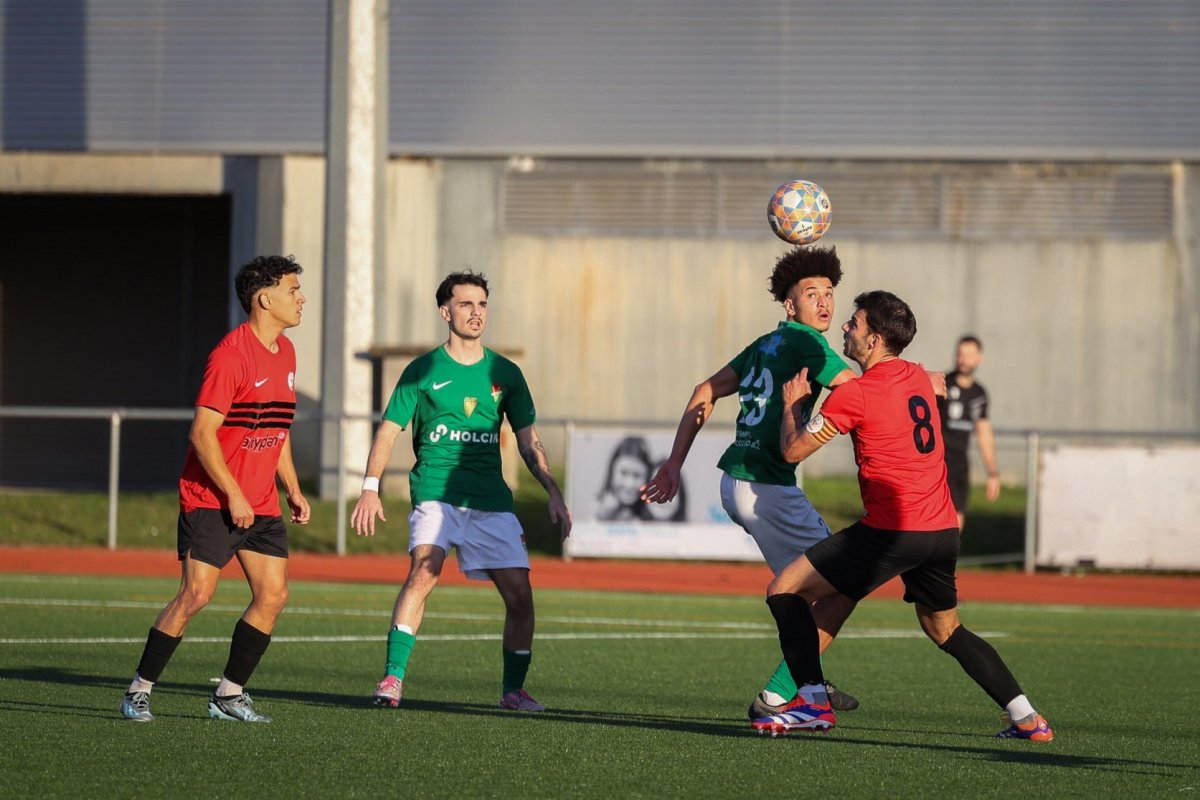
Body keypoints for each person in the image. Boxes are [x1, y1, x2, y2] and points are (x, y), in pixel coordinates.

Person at [754, 290, 1052, 741]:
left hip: (893, 531)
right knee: (946, 629)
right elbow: (936, 382)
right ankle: (1027, 718)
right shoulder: (916, 375)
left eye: (853, 324)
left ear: (873, 340)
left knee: (785, 589)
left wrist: (794, 404)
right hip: (941, 530)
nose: (845, 329)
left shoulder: (855, 395)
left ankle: (812, 704)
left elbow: (794, 450)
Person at [639, 246, 862, 718]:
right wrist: (918, 381)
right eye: (811, 293)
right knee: (846, 584)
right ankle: (784, 693)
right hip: (768, 488)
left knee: (805, 590)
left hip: (737, 482)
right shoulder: (808, 344)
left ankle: (807, 679)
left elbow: (705, 390)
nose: (824, 302)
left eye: (829, 293)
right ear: (790, 305)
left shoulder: (764, 343)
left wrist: (674, 463)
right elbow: (858, 391)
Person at [351, 270, 572, 712]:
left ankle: (513, 692)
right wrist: (370, 488)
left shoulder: (505, 372)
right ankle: (393, 678)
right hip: (436, 492)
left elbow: (529, 439)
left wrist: (552, 489)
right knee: (424, 571)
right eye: (466, 304)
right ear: (444, 311)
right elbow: (388, 430)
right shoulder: (424, 369)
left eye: (482, 304)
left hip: (490, 500)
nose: (476, 313)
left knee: (521, 598)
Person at [119, 254, 311, 723]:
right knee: (196, 595)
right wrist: (233, 494)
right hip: (212, 498)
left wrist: (293, 488)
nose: (300, 298)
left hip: (260, 501)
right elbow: (202, 435)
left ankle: (228, 695)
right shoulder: (230, 356)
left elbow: (277, 429)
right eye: (292, 290)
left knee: (274, 595)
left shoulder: (285, 352)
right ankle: (138, 691)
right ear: (264, 299)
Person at [937, 335, 1000, 530]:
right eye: (960, 354)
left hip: (960, 463)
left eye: (969, 355)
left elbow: (984, 433)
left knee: (957, 521)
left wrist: (992, 472)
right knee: (939, 520)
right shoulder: (942, 385)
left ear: (979, 358)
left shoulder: (979, 394)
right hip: (939, 461)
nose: (963, 360)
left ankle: (946, 560)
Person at [595, 436, 654, 521]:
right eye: (623, 473)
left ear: (648, 476)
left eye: (637, 475)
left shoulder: (653, 511)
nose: (629, 484)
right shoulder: (597, 507)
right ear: (612, 471)